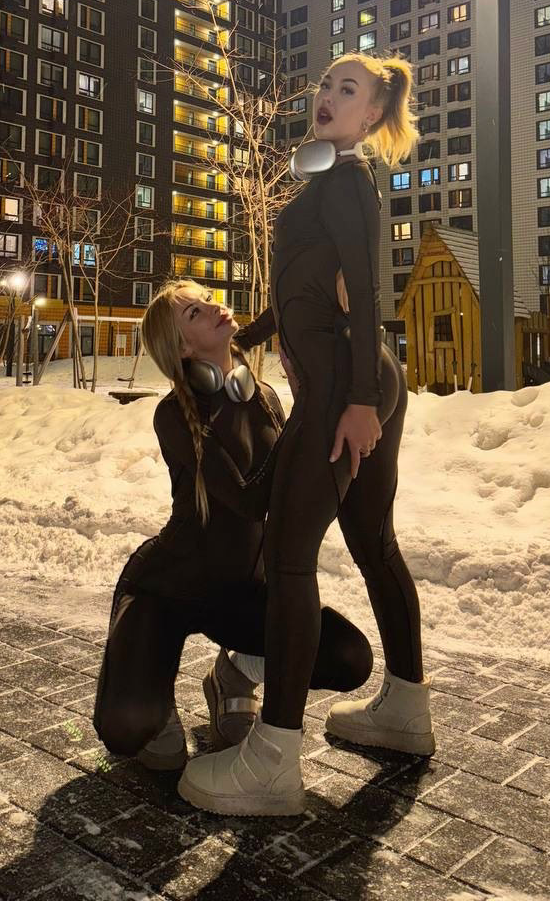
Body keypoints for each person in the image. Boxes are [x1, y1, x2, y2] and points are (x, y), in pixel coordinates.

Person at [178, 54, 433, 818]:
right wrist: (245, 337)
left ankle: (271, 761)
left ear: (371, 115)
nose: (327, 96)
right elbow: (303, 292)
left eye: (347, 90)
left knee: (290, 558)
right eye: (325, 84)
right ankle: (405, 708)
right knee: (374, 544)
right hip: (358, 378)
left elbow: (368, 283)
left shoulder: (349, 181)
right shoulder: (326, 181)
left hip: (344, 388)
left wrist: (358, 402)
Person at [92, 279, 373, 771]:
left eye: (207, 299)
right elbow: (250, 498)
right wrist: (308, 410)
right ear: (183, 348)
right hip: (168, 589)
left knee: (349, 657)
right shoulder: (173, 415)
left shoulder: (262, 397)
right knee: (129, 729)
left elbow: (292, 489)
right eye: (195, 313)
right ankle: (154, 693)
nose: (214, 307)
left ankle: (234, 675)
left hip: (243, 595)